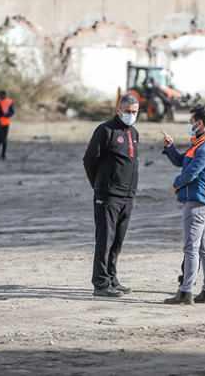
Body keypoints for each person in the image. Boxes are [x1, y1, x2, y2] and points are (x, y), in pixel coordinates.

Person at [83, 95, 140, 298]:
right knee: (105, 239)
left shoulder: (134, 133)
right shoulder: (105, 130)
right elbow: (90, 160)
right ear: (119, 110)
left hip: (127, 197)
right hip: (108, 196)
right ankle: (100, 283)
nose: (131, 115)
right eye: (128, 111)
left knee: (117, 240)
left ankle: (112, 278)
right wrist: (99, 187)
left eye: (135, 112)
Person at [162, 106, 205, 305]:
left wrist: (176, 185)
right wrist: (170, 148)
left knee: (191, 248)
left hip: (198, 203)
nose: (190, 125)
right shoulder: (199, 144)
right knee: (202, 248)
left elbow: (191, 173)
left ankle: (186, 292)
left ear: (200, 123)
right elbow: (182, 162)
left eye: (191, 121)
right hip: (199, 202)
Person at [0, 90, 15, 160]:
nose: (0, 96)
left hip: (6, 123)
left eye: (1, 95)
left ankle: (3, 155)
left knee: (4, 140)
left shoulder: (10, 101)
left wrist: (7, 115)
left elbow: (12, 112)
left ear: (4, 95)